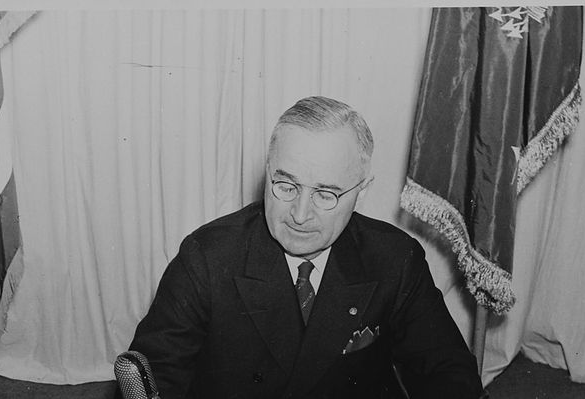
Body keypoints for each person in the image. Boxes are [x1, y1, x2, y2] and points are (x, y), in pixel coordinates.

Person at [128, 96, 484, 398]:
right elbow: (156, 375)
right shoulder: (207, 256)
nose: (299, 215)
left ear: (361, 192)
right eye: (286, 186)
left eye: (325, 194)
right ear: (268, 172)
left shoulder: (395, 257)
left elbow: (446, 371)